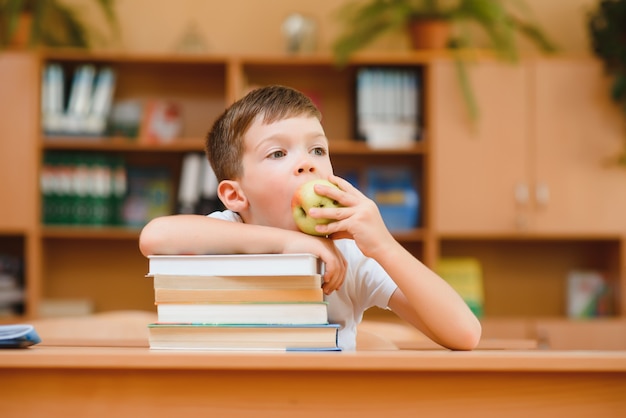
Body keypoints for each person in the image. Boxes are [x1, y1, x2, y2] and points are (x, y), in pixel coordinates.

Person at [139, 85, 481, 351]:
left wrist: (384, 246)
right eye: (278, 153)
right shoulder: (228, 231)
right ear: (235, 196)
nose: (308, 163)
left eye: (317, 149)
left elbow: (464, 332)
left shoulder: (350, 253)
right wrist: (290, 242)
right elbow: (155, 236)